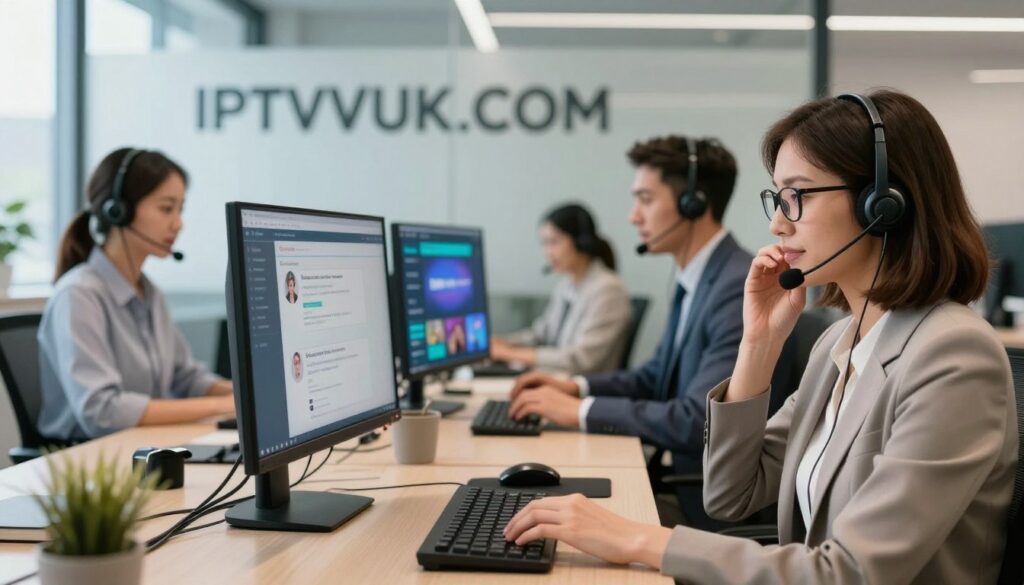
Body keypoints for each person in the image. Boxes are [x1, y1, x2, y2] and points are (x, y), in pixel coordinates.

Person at [503, 90, 1017, 584]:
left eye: (797, 196)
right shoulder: (840, 344)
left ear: (882, 205)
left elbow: (850, 574)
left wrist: (640, 541)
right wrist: (758, 346)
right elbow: (728, 495)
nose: (777, 224)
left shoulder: (952, 356)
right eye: (778, 197)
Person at [509, 136, 751, 523]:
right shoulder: (699, 278)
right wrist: (576, 388)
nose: (633, 216)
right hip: (683, 483)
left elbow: (698, 420)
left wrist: (580, 411)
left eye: (645, 199)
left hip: (707, 507)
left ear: (694, 203)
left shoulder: (736, 285)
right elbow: (654, 376)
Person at [38, 148, 235, 440]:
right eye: (166, 209)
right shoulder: (79, 295)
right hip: (88, 457)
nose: (178, 224)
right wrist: (224, 406)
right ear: (118, 211)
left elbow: (186, 378)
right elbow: (103, 411)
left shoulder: (150, 294)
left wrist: (246, 394)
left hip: (145, 445)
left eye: (180, 210)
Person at [491, 203, 630, 374]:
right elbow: (542, 334)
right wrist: (502, 343)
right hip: (558, 378)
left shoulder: (608, 289)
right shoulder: (566, 286)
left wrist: (508, 353)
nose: (547, 252)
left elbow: (579, 360)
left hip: (581, 383)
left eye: (553, 242)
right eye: (544, 243)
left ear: (581, 242)